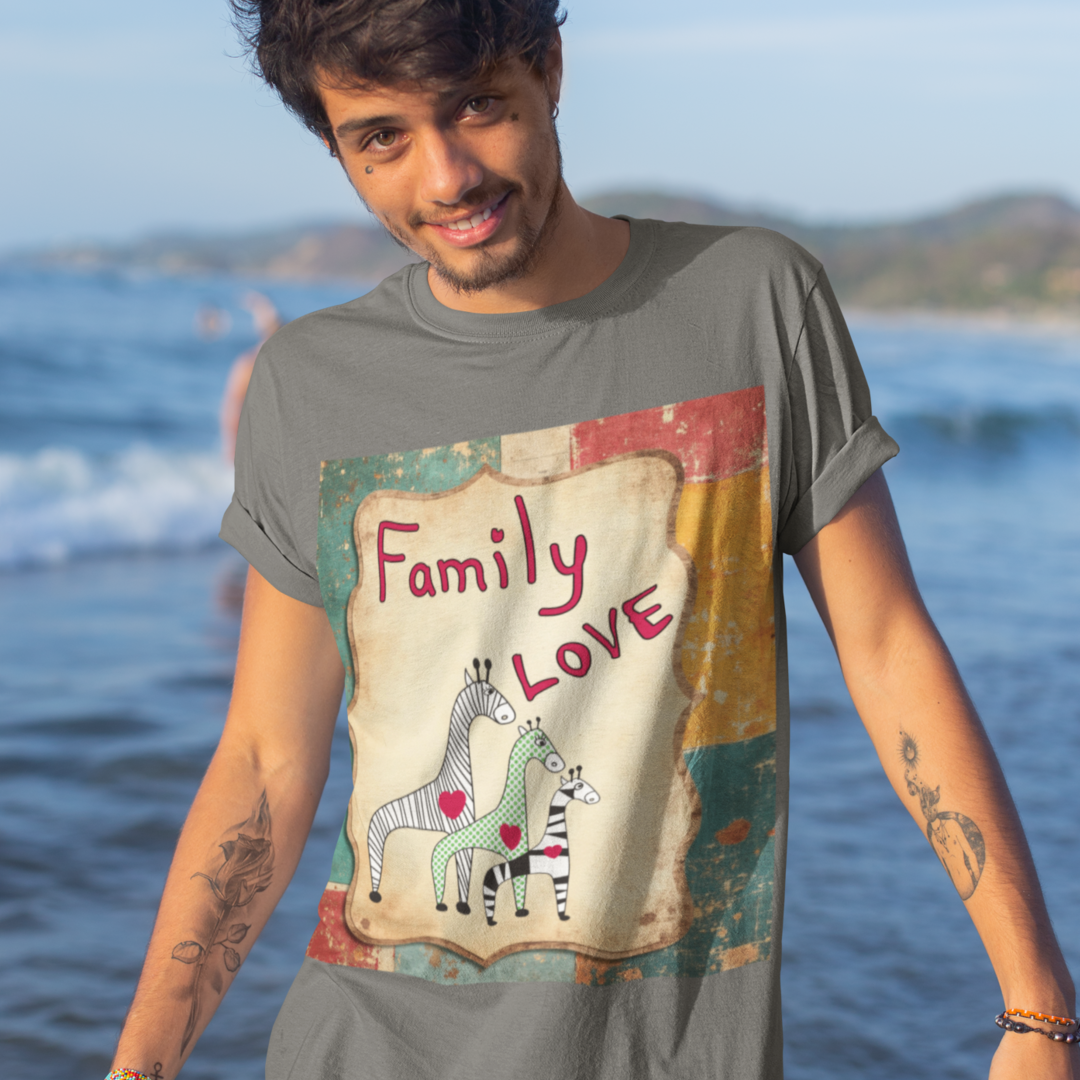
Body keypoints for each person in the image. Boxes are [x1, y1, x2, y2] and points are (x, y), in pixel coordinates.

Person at [106, 2, 1078, 1079]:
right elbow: (264, 760)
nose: (446, 177)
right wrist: (139, 1064)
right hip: (356, 1045)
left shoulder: (751, 303)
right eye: (380, 137)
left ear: (551, 68)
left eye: (478, 106)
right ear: (334, 143)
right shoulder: (309, 387)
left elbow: (888, 650)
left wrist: (1039, 1011)